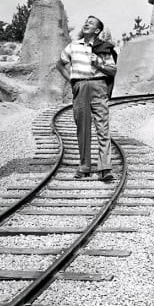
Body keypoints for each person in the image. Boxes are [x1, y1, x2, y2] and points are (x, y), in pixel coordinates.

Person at [56, 15, 117, 182]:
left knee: (102, 128)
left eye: (90, 23)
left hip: (99, 86)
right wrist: (71, 80)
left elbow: (113, 70)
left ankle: (105, 168)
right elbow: (59, 64)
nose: (86, 24)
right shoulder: (73, 46)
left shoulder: (104, 48)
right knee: (82, 129)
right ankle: (84, 167)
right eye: (86, 22)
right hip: (80, 87)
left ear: (97, 30)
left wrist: (98, 64)